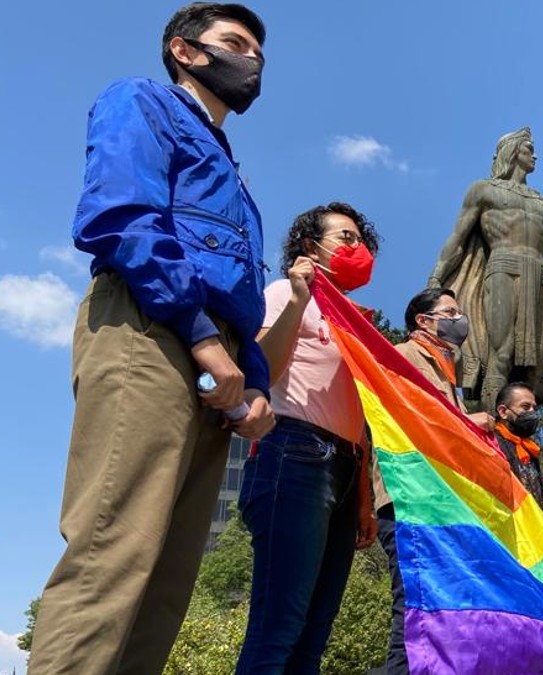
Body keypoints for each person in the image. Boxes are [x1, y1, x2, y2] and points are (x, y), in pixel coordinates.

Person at [28, 5, 274, 674]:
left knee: (166, 581)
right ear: (184, 51)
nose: (251, 59)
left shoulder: (232, 170)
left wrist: (255, 381)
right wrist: (199, 335)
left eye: (258, 50)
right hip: (150, 324)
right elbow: (122, 217)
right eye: (234, 43)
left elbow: (240, 292)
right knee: (115, 546)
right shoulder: (141, 101)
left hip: (213, 358)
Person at [235, 203, 380, 674]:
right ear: (308, 246)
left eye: (362, 240)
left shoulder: (356, 321)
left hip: (345, 470)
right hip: (293, 456)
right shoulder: (283, 293)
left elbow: (361, 419)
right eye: (345, 237)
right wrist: (299, 301)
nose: (357, 248)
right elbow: (261, 371)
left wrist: (362, 501)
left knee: (312, 640)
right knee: (277, 629)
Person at [427, 127, 543, 410]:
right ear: (513, 152)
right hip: (503, 269)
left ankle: (519, 433)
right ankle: (490, 431)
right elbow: (457, 240)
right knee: (500, 354)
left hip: (538, 278)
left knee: (533, 365)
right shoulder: (484, 190)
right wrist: (435, 281)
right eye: (529, 149)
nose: (535, 155)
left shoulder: (541, 202)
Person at [376, 287, 493, 674]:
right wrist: (468, 422)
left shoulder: (448, 369)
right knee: (414, 608)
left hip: (440, 499)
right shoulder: (403, 354)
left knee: (442, 613)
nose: (460, 320)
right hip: (409, 494)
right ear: (424, 321)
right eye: (450, 312)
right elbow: (415, 415)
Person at [494, 381, 543, 509]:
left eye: (534, 408)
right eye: (525, 407)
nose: (532, 412)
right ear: (503, 412)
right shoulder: (491, 442)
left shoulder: (530, 450)